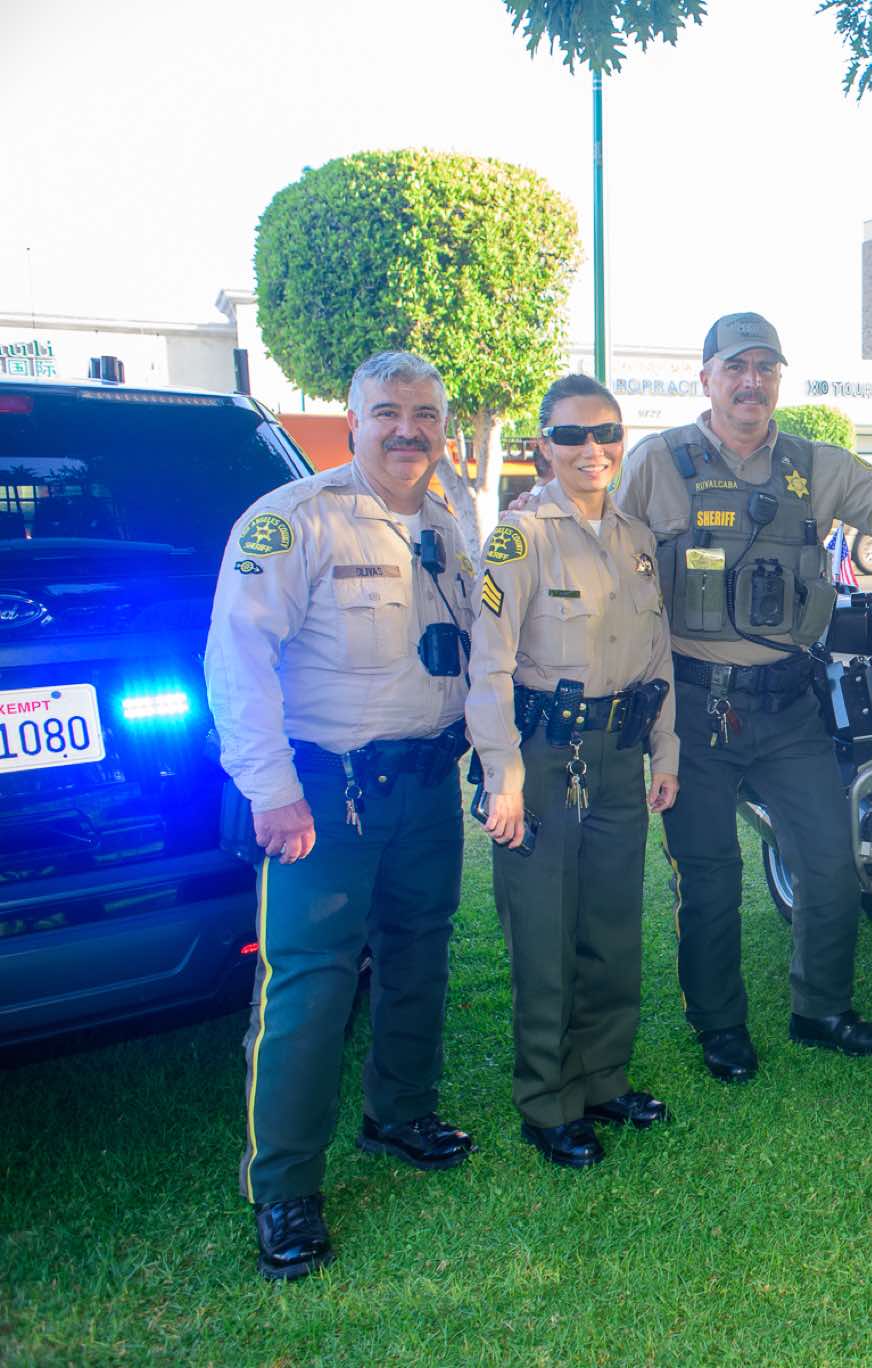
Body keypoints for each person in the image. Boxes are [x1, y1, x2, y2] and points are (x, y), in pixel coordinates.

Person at [613, 313, 872, 1082]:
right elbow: (608, 552)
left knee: (831, 863)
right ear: (706, 377)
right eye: (736, 367)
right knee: (710, 878)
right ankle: (719, 1025)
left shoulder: (812, 464)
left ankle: (821, 1009)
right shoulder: (658, 462)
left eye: (765, 368)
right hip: (694, 708)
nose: (751, 382)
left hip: (790, 706)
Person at [204, 350, 477, 1281]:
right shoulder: (295, 520)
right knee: (312, 984)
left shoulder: (448, 519)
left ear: (443, 426)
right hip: (327, 791)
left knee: (419, 954)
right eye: (388, 411)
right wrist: (271, 787)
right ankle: (284, 1187)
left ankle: (400, 1113)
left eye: (426, 414)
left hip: (427, 782)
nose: (409, 429)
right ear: (352, 420)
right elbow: (237, 657)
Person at [467, 374, 680, 1168]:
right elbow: (488, 666)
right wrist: (503, 775)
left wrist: (666, 750)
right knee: (545, 935)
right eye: (571, 435)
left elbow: (656, 654)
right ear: (543, 446)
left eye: (606, 432)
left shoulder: (635, 537)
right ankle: (548, 1101)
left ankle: (602, 1079)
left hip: (619, 755)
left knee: (613, 930)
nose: (592, 449)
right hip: (545, 758)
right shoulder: (520, 537)